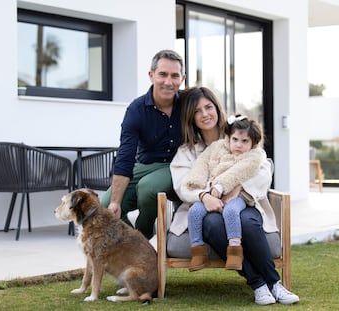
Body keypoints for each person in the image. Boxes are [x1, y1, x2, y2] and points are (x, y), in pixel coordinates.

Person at [170, 86, 299, 305]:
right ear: (191, 118)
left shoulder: (241, 134)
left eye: (208, 107)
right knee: (212, 225)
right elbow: (183, 184)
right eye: (197, 111)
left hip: (245, 202)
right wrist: (204, 195)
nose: (204, 114)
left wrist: (238, 187)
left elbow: (263, 168)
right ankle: (258, 285)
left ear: (217, 108)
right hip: (207, 209)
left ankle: (275, 284)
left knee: (247, 224)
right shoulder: (187, 150)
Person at [101, 49, 185, 240]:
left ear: (182, 78)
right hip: (145, 165)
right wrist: (115, 202)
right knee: (107, 206)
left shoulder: (189, 103)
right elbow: (125, 157)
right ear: (151, 75)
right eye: (162, 74)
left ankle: (143, 232)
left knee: (149, 188)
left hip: (179, 166)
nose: (168, 82)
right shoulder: (137, 109)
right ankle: (136, 243)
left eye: (174, 76)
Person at [186, 114, 265, 272]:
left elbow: (237, 172)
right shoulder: (217, 148)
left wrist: (221, 186)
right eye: (235, 139)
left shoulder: (253, 156)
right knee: (194, 211)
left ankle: (235, 252)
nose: (238, 145)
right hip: (212, 194)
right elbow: (202, 162)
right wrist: (197, 181)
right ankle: (198, 251)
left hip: (237, 196)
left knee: (231, 210)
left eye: (245, 141)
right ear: (228, 137)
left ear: (253, 143)